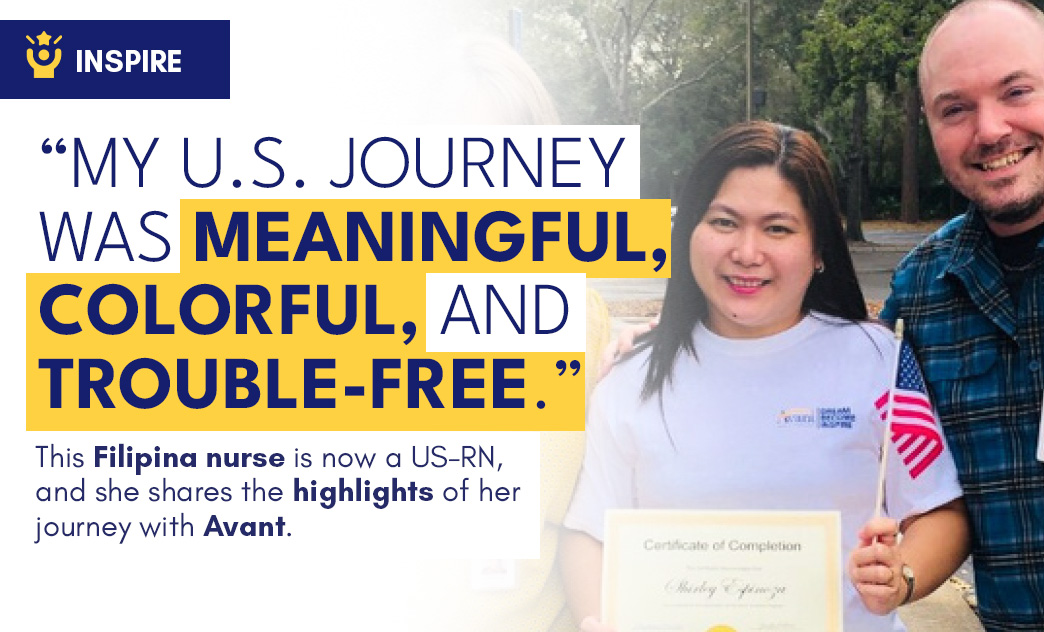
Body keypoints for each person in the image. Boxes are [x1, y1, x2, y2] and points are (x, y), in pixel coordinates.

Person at [562, 121, 969, 632]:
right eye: (724, 222)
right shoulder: (632, 375)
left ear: (819, 249)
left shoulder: (878, 360)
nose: (747, 252)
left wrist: (901, 575)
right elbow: (588, 530)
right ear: (688, 233)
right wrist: (596, 618)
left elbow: (939, 509)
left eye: (777, 228)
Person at [881, 1, 1044, 629]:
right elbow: (833, 401)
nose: (991, 130)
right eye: (955, 109)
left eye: (1017, 91)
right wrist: (686, 345)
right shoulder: (919, 290)